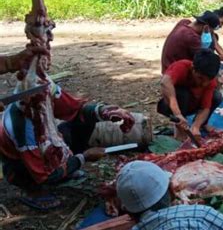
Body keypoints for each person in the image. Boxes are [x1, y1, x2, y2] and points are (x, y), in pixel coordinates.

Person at [0, 81, 135, 210]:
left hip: (44, 143)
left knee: (84, 122)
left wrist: (105, 111)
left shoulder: (45, 92)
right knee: (39, 175)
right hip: (20, 164)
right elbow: (44, 174)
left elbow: (76, 110)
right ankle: (32, 191)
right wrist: (83, 158)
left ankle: (65, 168)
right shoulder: (22, 128)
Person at [158, 49, 222, 141]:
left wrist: (196, 126)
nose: (204, 84)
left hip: (193, 104)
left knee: (216, 96)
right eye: (200, 78)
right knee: (183, 93)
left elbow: (205, 108)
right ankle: (180, 131)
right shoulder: (181, 66)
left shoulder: (210, 82)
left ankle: (200, 125)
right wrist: (177, 114)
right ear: (193, 68)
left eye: (207, 80)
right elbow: (165, 82)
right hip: (172, 105)